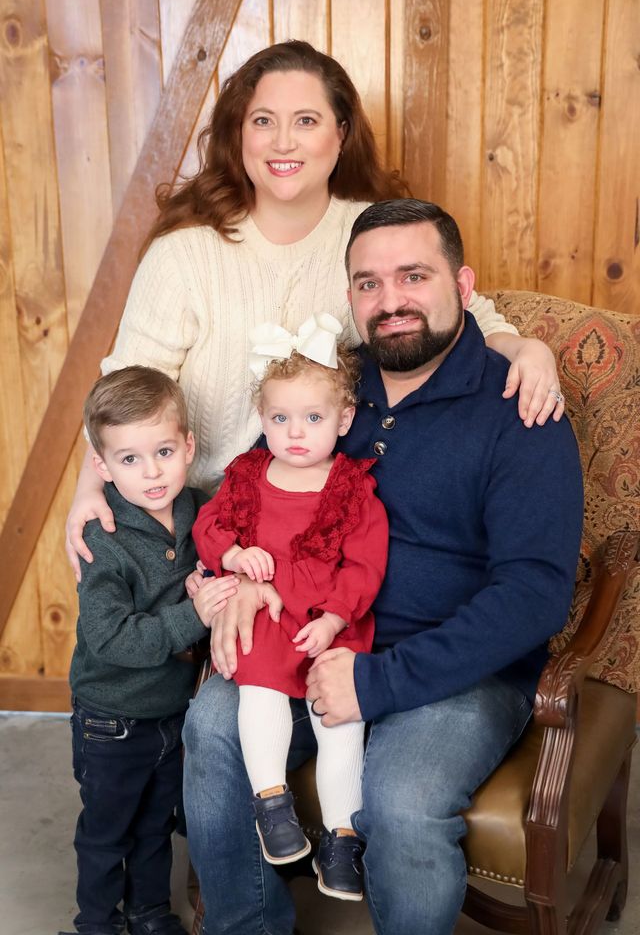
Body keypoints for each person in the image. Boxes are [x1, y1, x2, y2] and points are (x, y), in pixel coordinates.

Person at [180, 199, 584, 935]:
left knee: (401, 796)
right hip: (303, 635)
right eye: (368, 283)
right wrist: (231, 582)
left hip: (459, 669)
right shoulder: (326, 393)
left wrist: (377, 681)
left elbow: (535, 595)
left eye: (412, 276)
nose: (390, 300)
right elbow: (248, 496)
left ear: (463, 287)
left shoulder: (518, 407)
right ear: (350, 298)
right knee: (211, 724)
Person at [65, 40, 566, 579]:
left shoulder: (370, 236)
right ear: (239, 134)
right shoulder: (184, 256)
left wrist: (527, 348)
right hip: (195, 524)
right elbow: (123, 392)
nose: (283, 142)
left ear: (341, 134)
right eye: (263, 120)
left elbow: (463, 315)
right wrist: (89, 489)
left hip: (313, 526)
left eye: (306, 120)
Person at [191, 318, 388, 900]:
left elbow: (364, 567)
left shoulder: (351, 489)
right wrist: (231, 551)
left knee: (340, 726)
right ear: (262, 419)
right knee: (257, 693)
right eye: (280, 419)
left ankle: (342, 838)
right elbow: (209, 524)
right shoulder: (249, 475)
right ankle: (271, 802)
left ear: (344, 420)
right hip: (270, 623)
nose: (295, 433)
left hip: (329, 625)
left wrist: (332, 619)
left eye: (313, 419)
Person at [60, 366, 239, 935]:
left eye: (163, 450)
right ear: (103, 466)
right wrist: (194, 614)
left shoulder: (199, 510)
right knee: (108, 829)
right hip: (111, 717)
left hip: (170, 712)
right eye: (130, 459)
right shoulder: (103, 537)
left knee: (156, 824)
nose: (152, 471)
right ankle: (97, 922)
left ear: (188, 445)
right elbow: (111, 639)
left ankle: (150, 912)